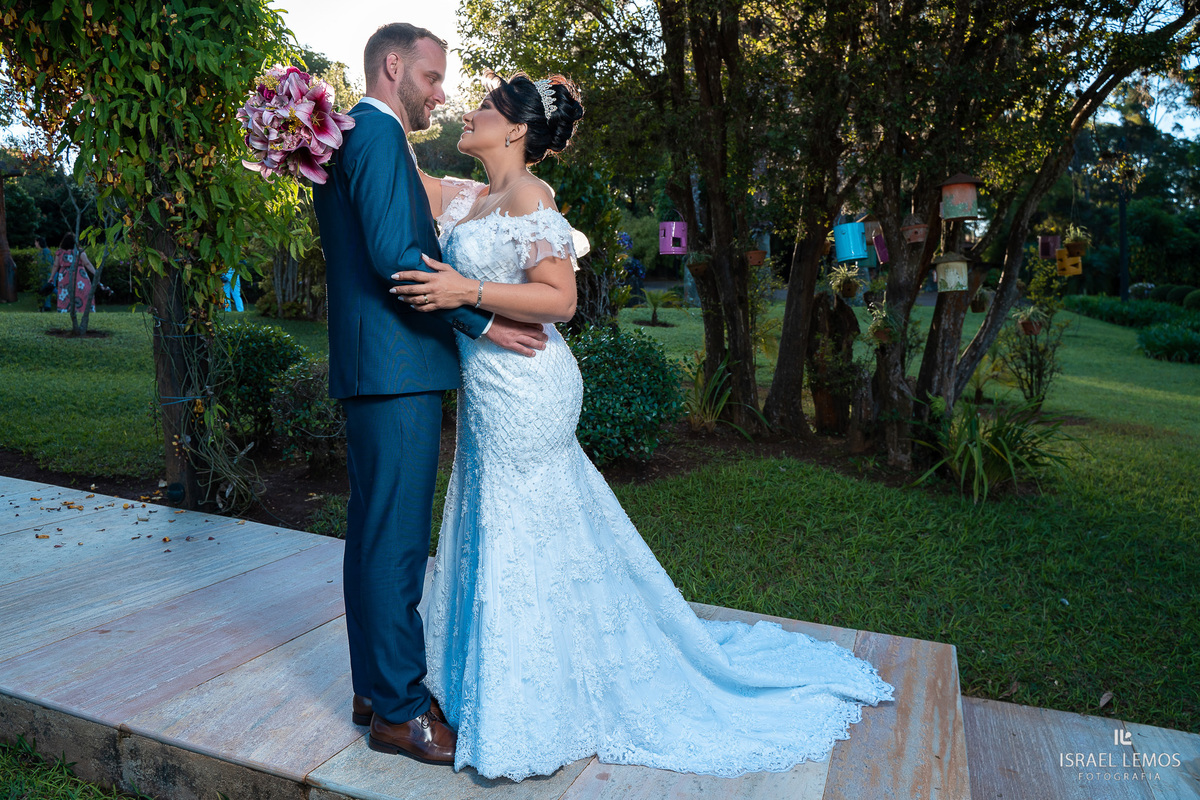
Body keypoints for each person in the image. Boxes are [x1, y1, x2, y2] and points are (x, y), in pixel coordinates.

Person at [390, 72, 896, 781]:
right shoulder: (473, 197)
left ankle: (530, 700)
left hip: (530, 387)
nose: (466, 112)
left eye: (484, 106)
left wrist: (464, 291)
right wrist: (304, 119)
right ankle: (513, 679)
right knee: (498, 517)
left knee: (517, 521)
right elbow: (396, 157)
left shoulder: (533, 197)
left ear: (514, 130)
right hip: (489, 389)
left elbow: (560, 299)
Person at [309, 23, 550, 766]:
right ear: (393, 67)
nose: (442, 94)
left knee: (373, 533)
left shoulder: (350, 135)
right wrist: (481, 320)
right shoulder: (376, 135)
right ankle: (401, 713)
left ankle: (373, 688)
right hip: (396, 366)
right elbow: (393, 256)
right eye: (433, 77)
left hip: (376, 366)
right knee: (398, 539)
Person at [52, 234, 95, 314]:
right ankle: (83, 309)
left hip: (64, 275)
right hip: (79, 274)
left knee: (65, 293)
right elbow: (87, 263)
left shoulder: (60, 252)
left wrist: (51, 277)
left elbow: (55, 265)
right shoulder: (79, 251)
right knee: (82, 292)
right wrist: (95, 273)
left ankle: (64, 310)